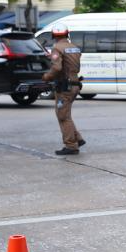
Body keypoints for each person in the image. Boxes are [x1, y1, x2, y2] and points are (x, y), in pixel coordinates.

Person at [42, 24, 86, 155]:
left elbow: (57, 68)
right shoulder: (74, 48)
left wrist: (47, 76)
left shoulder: (57, 48)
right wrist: (52, 57)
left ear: (54, 35)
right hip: (75, 84)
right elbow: (68, 62)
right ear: (67, 34)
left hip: (64, 86)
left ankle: (71, 146)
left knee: (62, 116)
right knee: (66, 114)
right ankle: (77, 138)